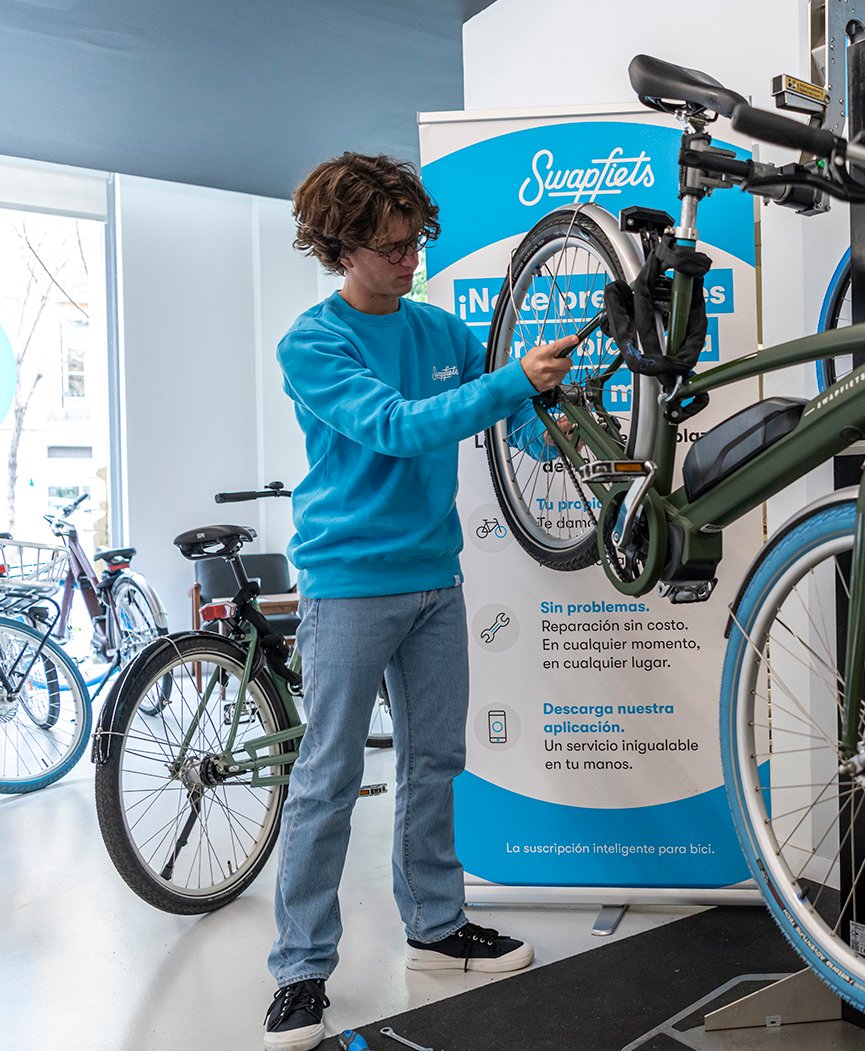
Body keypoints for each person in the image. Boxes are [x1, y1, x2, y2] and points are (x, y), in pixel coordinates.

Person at [262, 152, 576, 1051]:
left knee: (433, 762)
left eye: (415, 242)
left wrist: (552, 412)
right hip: (350, 584)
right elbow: (398, 429)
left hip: (436, 580)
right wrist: (513, 382)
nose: (409, 259)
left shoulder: (441, 331)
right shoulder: (312, 344)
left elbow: (510, 421)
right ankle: (299, 973)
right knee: (325, 781)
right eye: (392, 247)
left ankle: (437, 925)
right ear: (340, 246)